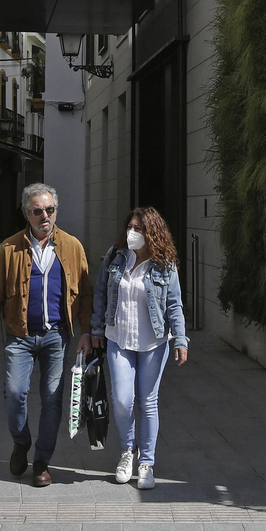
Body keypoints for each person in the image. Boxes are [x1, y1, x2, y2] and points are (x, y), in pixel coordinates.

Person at [0, 182, 93, 487]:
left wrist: (86, 333)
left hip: (57, 336)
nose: (45, 216)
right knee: (15, 393)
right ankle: (21, 441)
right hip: (19, 335)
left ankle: (41, 460)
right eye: (38, 210)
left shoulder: (72, 246)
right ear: (27, 213)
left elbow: (85, 295)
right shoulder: (9, 248)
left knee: (52, 399)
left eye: (50, 209)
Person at [89, 207, 189, 491]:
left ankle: (146, 463)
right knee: (122, 399)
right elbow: (100, 292)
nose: (133, 233)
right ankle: (127, 452)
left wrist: (180, 339)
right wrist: (96, 330)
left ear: (152, 233)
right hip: (118, 338)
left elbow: (174, 305)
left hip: (154, 343)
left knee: (147, 401)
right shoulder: (115, 256)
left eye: (139, 228)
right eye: (130, 227)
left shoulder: (165, 264)